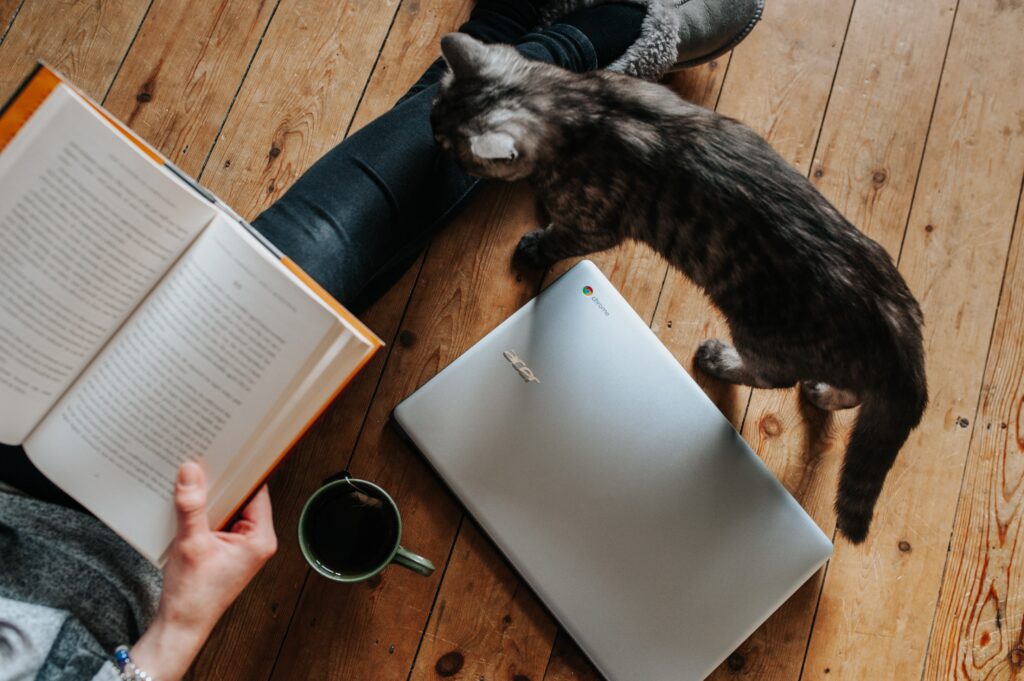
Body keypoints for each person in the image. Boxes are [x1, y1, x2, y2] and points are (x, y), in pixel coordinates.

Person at [0, 1, 761, 679]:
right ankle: (589, 35)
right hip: (100, 532)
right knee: (325, 258)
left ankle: (526, 35)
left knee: (329, 256)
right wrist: (177, 635)